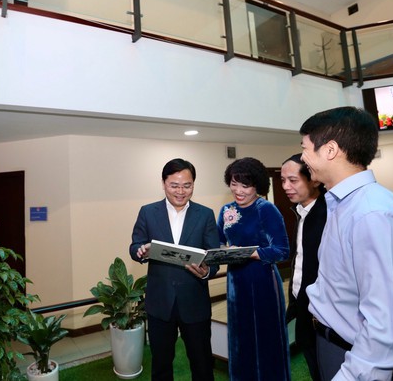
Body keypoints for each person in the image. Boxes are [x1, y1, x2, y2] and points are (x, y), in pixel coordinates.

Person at [299, 106, 393, 381]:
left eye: (305, 148)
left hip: (358, 361)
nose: (302, 158)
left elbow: (386, 325)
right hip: (335, 344)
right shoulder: (344, 204)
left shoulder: (373, 214)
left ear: (330, 150)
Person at [129, 158, 219, 381]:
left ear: (193, 184)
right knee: (161, 365)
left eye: (187, 186)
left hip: (194, 303)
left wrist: (207, 271)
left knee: (202, 364)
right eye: (174, 185)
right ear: (163, 184)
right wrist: (141, 251)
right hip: (160, 304)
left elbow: (214, 256)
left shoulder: (205, 214)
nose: (181, 191)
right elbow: (134, 245)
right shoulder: (148, 212)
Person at [217, 157, 290, 381]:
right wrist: (225, 250)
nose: (238, 191)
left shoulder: (266, 209)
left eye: (245, 185)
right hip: (236, 282)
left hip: (263, 281)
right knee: (240, 338)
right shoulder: (226, 210)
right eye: (234, 184)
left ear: (257, 185)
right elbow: (219, 242)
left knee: (267, 337)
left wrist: (248, 253)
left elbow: (282, 251)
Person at [281, 153, 326, 381]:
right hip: (302, 305)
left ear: (314, 180)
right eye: (283, 180)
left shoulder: (330, 213)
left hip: (325, 313)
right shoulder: (300, 211)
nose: (285, 187)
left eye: (293, 180)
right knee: (314, 365)